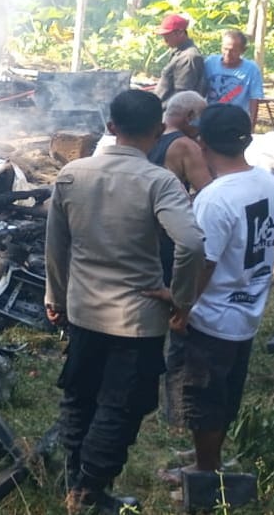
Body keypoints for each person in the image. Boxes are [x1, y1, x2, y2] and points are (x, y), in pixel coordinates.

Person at [45, 89, 205, 513]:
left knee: (79, 396)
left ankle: (76, 481)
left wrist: (55, 296)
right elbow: (190, 243)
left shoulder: (72, 175)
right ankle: (88, 493)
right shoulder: (158, 182)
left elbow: (55, 247)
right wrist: (181, 298)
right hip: (137, 320)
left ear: (111, 128)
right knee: (120, 406)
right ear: (158, 130)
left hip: (83, 310)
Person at [161, 103, 274, 482]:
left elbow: (204, 263)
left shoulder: (215, 198)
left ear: (203, 142)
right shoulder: (266, 181)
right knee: (226, 389)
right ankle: (207, 451)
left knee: (203, 396)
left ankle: (204, 469)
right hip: (246, 308)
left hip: (212, 315)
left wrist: (182, 309)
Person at [149, 90, 213, 287]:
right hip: (166, 232)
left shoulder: (145, 136)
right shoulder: (185, 146)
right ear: (191, 116)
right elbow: (210, 193)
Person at [205, 29, 263, 128]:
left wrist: (251, 125)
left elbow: (254, 98)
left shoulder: (251, 69)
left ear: (243, 50)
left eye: (233, 51)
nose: (227, 54)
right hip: (210, 119)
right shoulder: (210, 63)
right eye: (225, 49)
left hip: (235, 122)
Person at [155, 13, 208, 103]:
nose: (165, 39)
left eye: (167, 35)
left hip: (173, 112)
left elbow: (182, 96)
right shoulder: (178, 52)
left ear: (180, 33)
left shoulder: (188, 57)